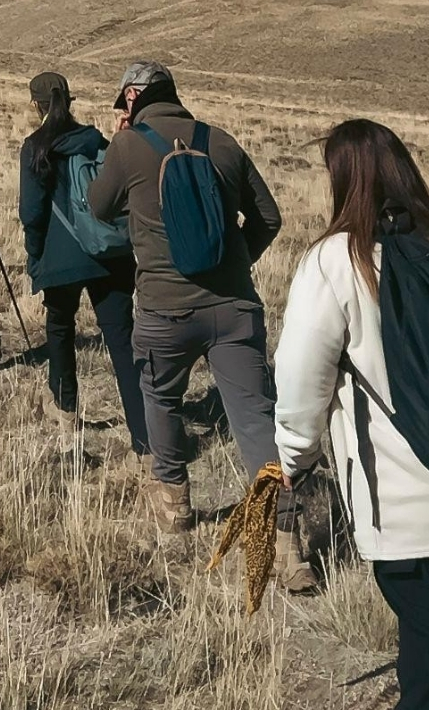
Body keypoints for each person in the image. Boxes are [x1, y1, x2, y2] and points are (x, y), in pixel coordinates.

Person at [87, 62, 306, 580]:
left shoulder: (129, 145)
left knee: (161, 397)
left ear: (135, 96)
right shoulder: (222, 141)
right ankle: (286, 544)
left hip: (165, 306)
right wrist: (235, 263)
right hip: (235, 309)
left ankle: (175, 506)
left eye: (125, 103)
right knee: (254, 418)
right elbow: (270, 218)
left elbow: (98, 208)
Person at [274, 119, 429, 698]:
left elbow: (302, 384)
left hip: (407, 516)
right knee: (424, 660)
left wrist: (291, 461)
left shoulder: (336, 262)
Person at [18, 72, 147, 451]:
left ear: (36, 106)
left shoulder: (35, 147)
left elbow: (31, 213)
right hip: (111, 253)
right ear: (70, 101)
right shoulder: (95, 140)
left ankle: (67, 411)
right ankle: (145, 441)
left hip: (61, 258)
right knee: (122, 341)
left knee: (60, 328)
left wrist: (35, 256)